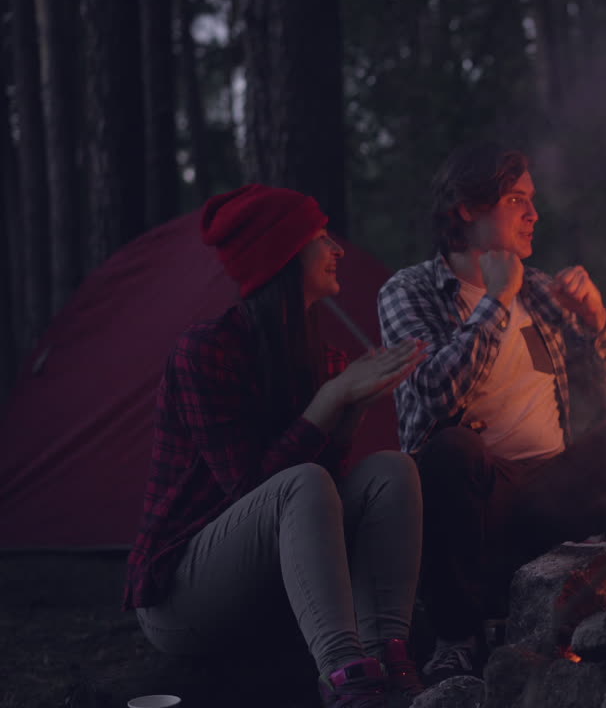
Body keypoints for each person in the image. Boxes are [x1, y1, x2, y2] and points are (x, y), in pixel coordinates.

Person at [377, 141, 606, 684]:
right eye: (517, 200)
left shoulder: (539, 291)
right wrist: (494, 302)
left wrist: (596, 322)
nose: (533, 214)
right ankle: (456, 638)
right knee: (450, 448)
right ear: (468, 209)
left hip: (551, 490)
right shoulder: (409, 291)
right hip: (476, 504)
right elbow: (436, 395)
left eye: (532, 200)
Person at [124, 184, 429, 708]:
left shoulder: (322, 358)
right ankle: (345, 677)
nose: (337, 248)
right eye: (320, 236)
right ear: (285, 254)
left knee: (391, 471)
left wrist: (351, 409)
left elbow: (321, 494)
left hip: (263, 584)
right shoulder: (205, 352)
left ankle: (386, 657)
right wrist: (330, 399)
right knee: (301, 483)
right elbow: (250, 489)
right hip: (183, 593)